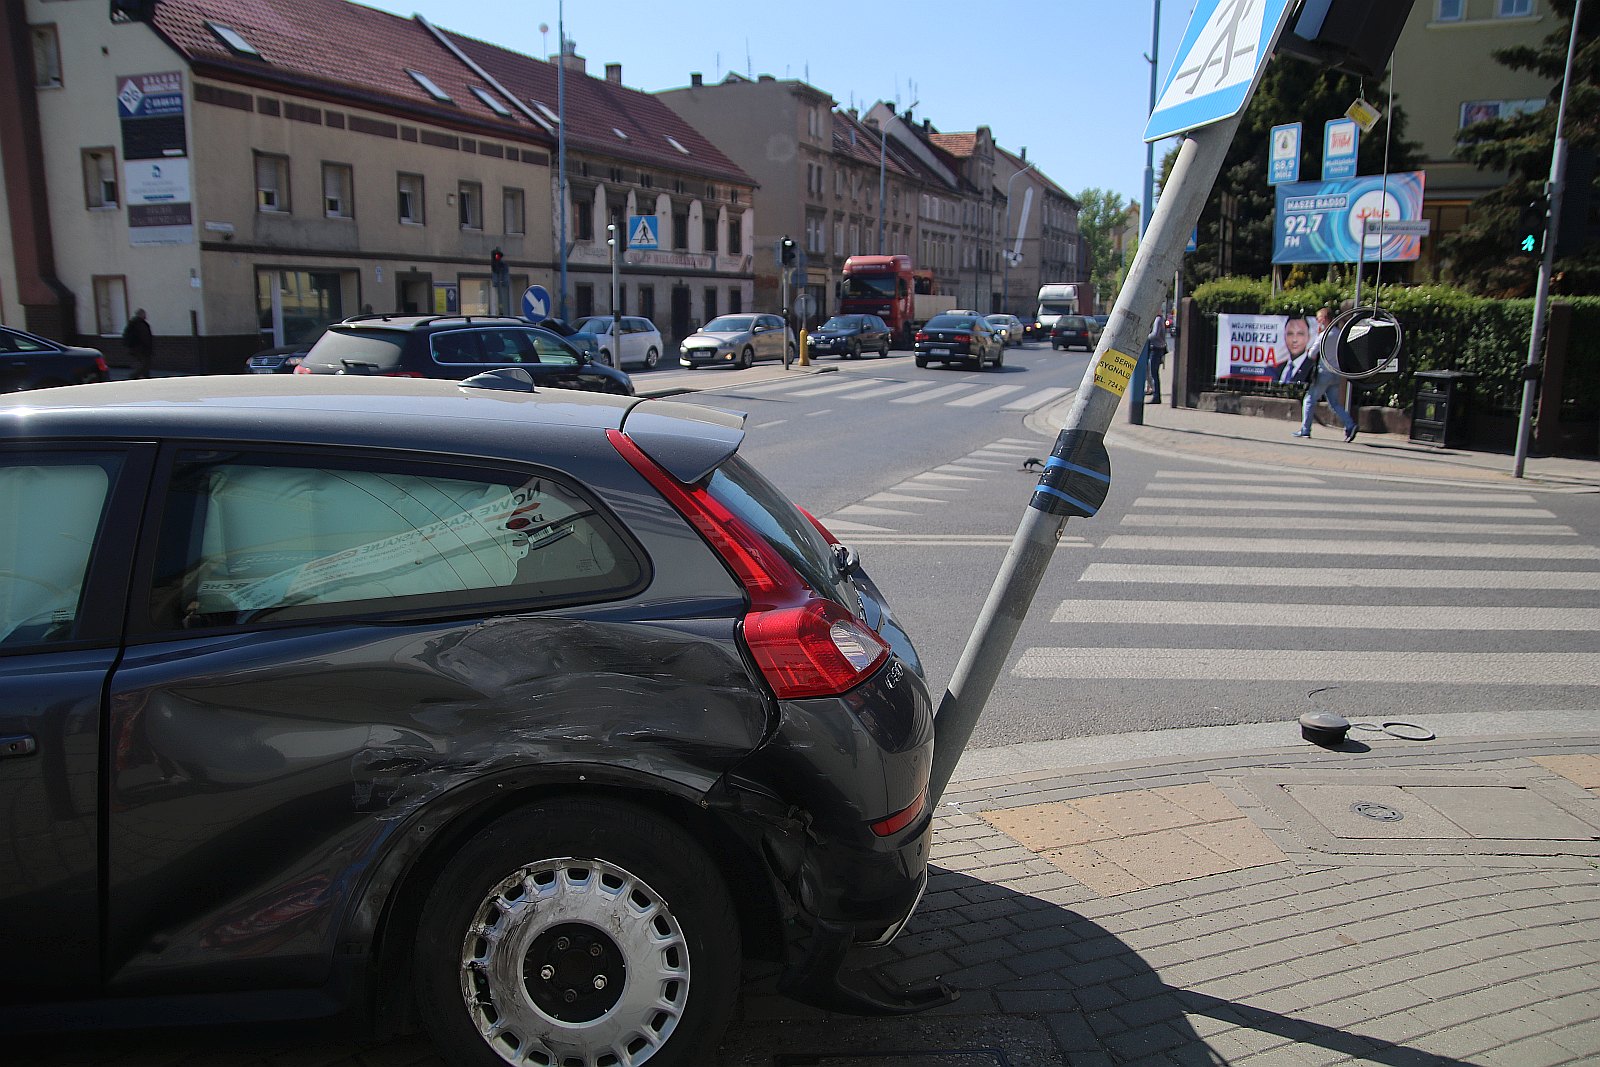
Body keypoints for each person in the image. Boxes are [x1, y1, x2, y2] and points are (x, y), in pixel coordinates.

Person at [1292, 307, 1358, 443]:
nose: (1317, 321)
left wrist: (1313, 345)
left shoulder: (1324, 335)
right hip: (1336, 373)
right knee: (1334, 403)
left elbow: (1311, 354)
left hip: (1324, 373)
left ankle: (1305, 430)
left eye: (1318, 319)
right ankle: (1350, 424)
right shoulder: (1339, 333)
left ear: (1324, 319)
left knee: (1309, 400)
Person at [122, 308, 153, 380]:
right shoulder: (141, 324)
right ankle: (134, 377)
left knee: (142, 364)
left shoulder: (132, 323)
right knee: (144, 364)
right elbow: (145, 338)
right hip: (141, 349)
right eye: (144, 314)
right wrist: (148, 348)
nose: (146, 316)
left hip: (134, 348)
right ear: (141, 315)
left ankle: (145, 377)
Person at [1146, 313, 1168, 403]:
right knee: (1152, 373)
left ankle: (1156, 396)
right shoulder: (1159, 319)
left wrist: (1145, 337)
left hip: (1156, 349)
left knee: (1153, 373)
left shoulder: (1158, 319)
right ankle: (1154, 392)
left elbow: (1155, 334)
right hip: (1157, 348)